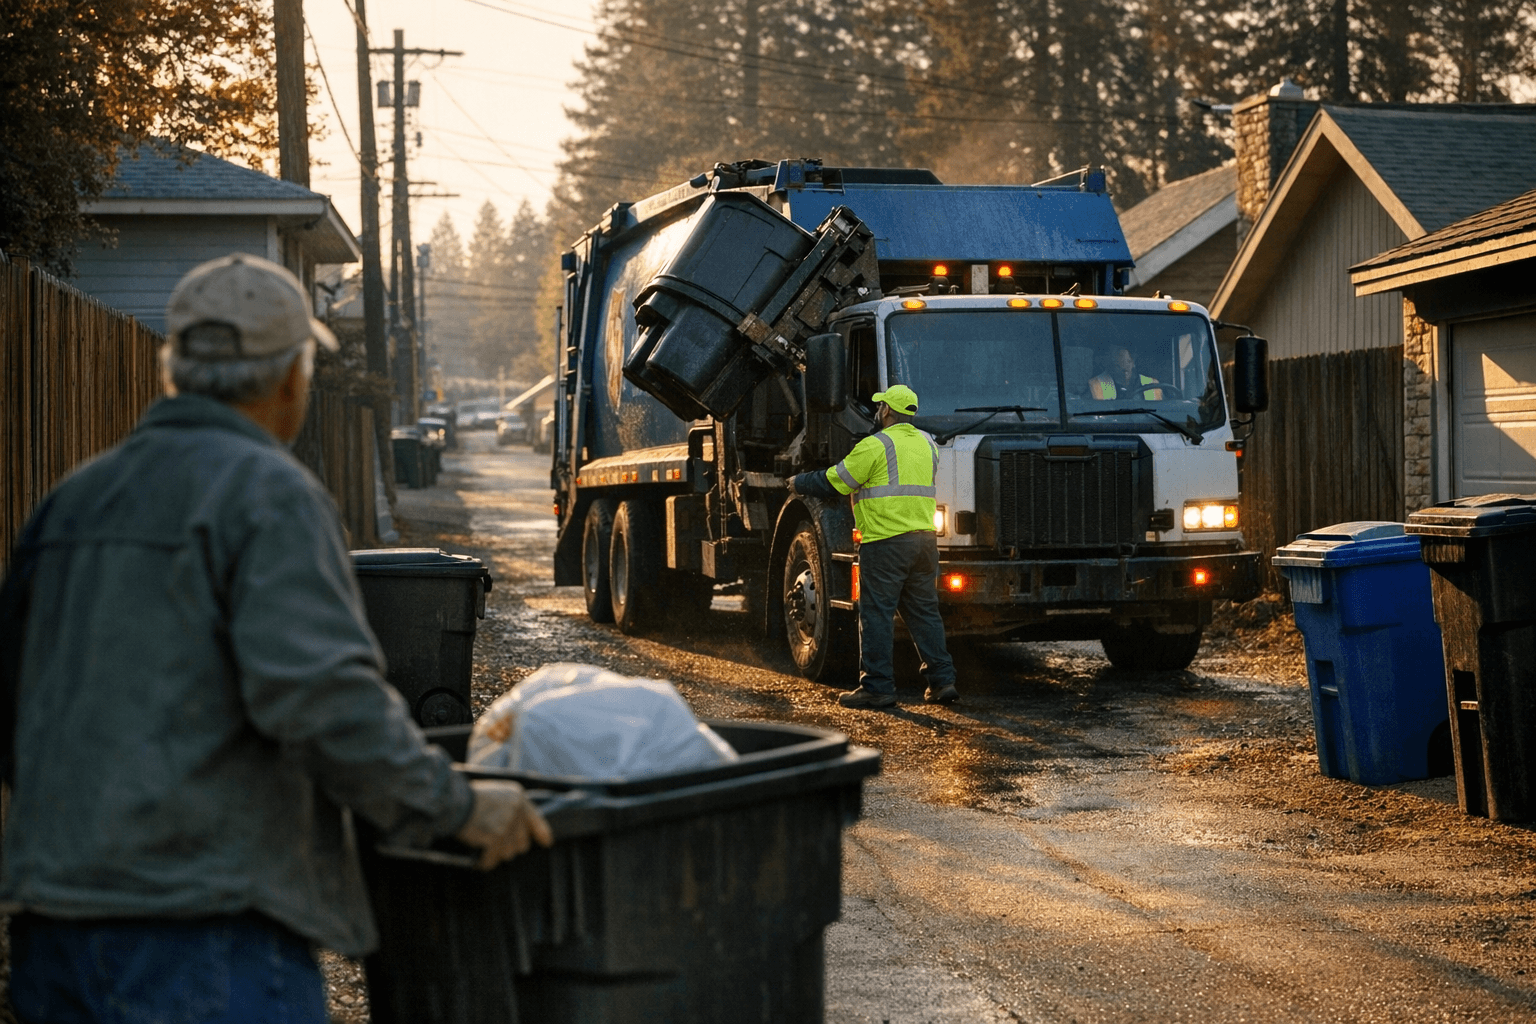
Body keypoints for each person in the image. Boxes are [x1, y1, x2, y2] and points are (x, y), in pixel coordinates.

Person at [0, 254, 551, 1022]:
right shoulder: (268, 496)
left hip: (53, 935)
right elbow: (323, 699)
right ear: (293, 376)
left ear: (174, 370)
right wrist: (455, 806)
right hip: (208, 936)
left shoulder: (72, 503)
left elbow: (14, 713)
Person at [786, 384, 958, 709]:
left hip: (885, 542)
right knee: (924, 614)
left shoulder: (875, 445)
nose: (878, 411)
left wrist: (799, 482)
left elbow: (837, 481)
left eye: (880, 407)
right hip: (923, 541)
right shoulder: (928, 444)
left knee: (876, 614)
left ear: (887, 411)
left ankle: (877, 687)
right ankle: (942, 682)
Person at [1088, 345, 1164, 400]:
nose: (1124, 366)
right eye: (1118, 365)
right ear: (1110, 366)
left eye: (1128, 361)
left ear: (1133, 363)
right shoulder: (1096, 384)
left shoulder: (1153, 384)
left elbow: (1163, 411)